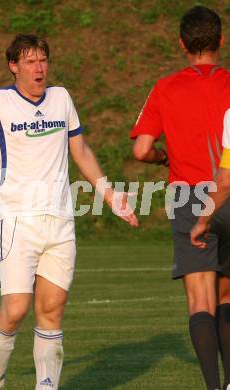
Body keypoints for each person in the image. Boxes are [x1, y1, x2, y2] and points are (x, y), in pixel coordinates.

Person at [0, 34, 138, 390]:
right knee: (16, 309)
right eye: (31, 61)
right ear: (13, 66)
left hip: (60, 222)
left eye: (43, 60)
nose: (39, 68)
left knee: (51, 312)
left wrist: (109, 195)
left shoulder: (62, 98)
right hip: (17, 221)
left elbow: (79, 150)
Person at [130, 6, 230, 390]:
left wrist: (164, 157)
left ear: (181, 44)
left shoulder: (166, 87)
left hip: (189, 195)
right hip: (228, 191)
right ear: (221, 41)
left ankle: (212, 386)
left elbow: (141, 149)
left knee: (200, 299)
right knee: (226, 295)